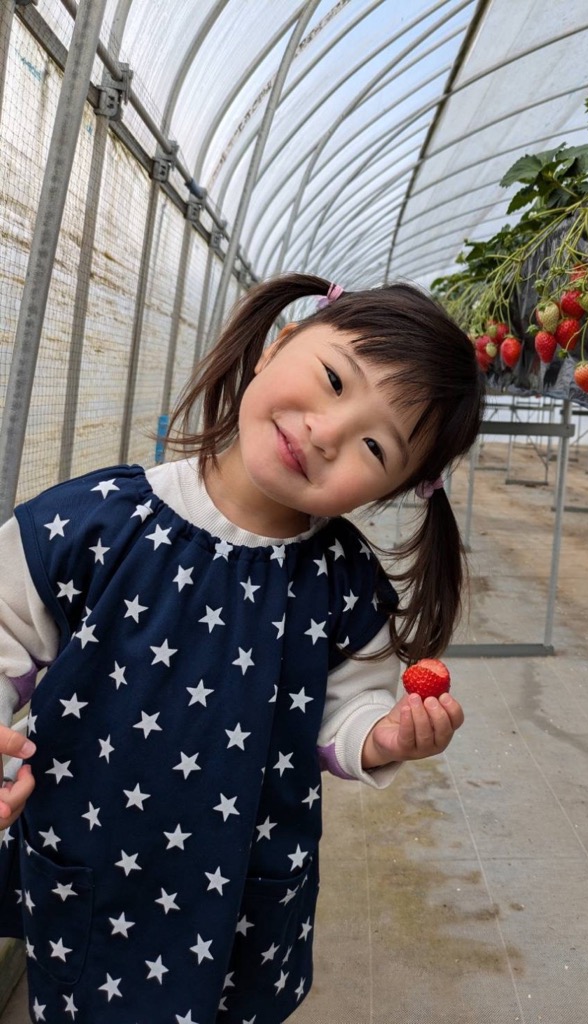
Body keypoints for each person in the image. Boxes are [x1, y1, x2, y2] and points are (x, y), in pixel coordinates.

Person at [0, 272, 485, 1023]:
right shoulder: (92, 525)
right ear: (277, 344)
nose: (324, 431)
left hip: (239, 898)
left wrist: (383, 735)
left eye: (371, 443)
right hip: (91, 866)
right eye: (332, 379)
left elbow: (346, 712)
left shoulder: (346, 590)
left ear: (387, 491)